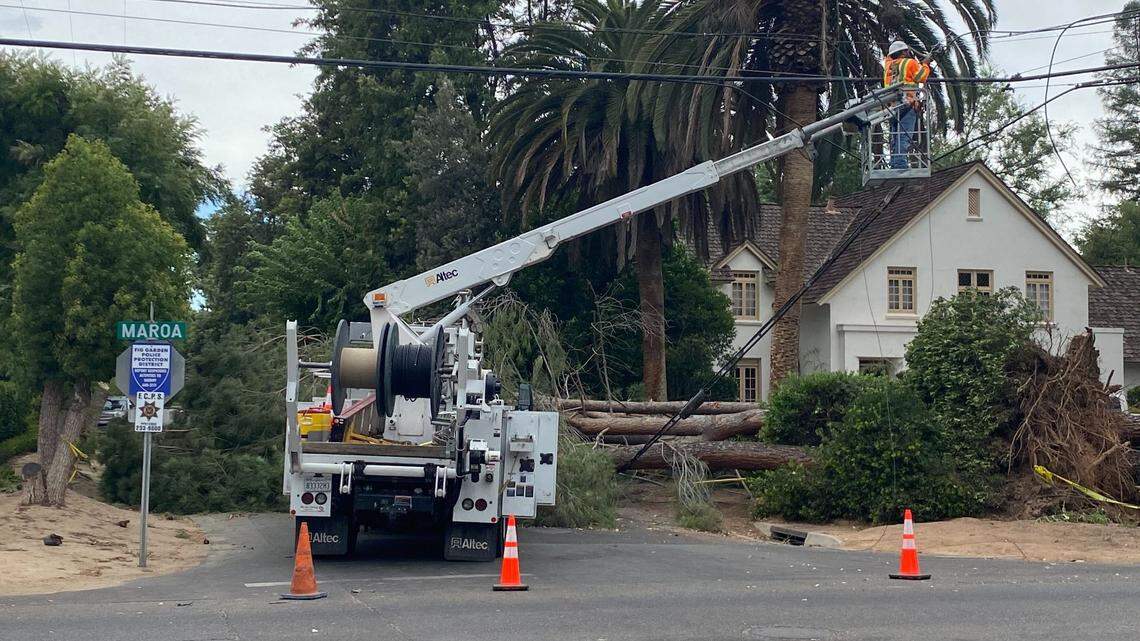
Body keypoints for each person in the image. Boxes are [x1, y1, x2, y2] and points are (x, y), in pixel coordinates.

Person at [883, 41, 931, 169]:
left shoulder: (888, 66)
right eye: (907, 51)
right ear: (904, 52)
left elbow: (888, 57)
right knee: (903, 135)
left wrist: (902, 47)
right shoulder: (910, 63)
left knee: (895, 137)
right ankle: (900, 164)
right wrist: (925, 64)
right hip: (908, 103)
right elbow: (921, 77)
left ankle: (895, 163)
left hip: (892, 106)